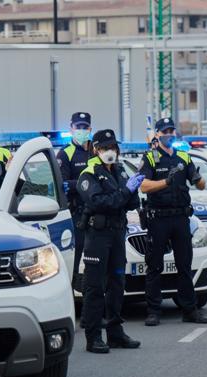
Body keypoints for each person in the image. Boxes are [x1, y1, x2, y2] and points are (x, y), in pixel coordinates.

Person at [138, 117, 207, 326]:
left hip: (180, 217)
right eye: (165, 131)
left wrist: (199, 179)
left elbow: (200, 184)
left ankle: (189, 310)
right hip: (158, 218)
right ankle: (153, 311)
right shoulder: (151, 158)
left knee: (184, 265)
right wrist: (165, 182)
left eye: (172, 130)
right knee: (155, 266)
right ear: (157, 134)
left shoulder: (184, 157)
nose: (169, 134)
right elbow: (143, 186)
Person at [77, 129, 143, 353]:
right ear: (95, 149)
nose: (110, 152)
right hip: (98, 235)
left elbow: (130, 201)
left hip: (117, 233)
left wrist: (132, 188)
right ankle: (93, 337)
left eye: (113, 147)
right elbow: (99, 202)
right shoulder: (89, 173)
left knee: (117, 283)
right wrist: (125, 192)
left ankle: (115, 333)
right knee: (95, 287)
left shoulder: (119, 170)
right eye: (105, 148)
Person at [56, 112, 93, 291]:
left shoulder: (97, 150)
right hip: (77, 215)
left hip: (98, 213)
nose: (81, 130)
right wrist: (89, 182)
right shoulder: (65, 154)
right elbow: (63, 185)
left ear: (90, 129)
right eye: (78, 127)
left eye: (85, 127)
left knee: (96, 263)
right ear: (71, 128)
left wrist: (78, 183)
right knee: (75, 261)